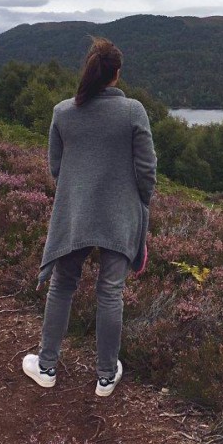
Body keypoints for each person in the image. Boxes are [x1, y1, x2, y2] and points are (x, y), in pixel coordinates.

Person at [22, 36, 157, 397]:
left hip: (76, 215)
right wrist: (140, 205)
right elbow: (147, 171)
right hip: (119, 215)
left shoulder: (63, 113)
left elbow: (56, 168)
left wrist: (79, 191)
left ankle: (47, 367)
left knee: (62, 286)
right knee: (110, 293)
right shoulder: (133, 111)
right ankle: (105, 376)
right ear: (116, 74)